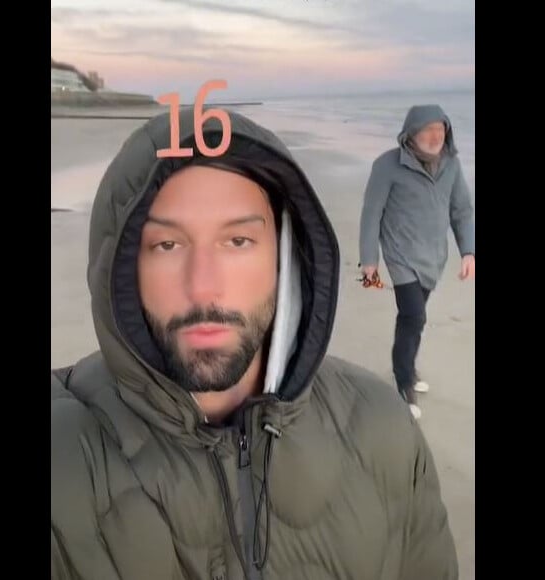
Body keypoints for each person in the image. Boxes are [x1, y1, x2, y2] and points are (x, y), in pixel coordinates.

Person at [51, 107, 458, 579]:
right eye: (168, 245)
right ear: (122, 269)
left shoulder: (385, 431)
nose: (204, 287)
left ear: (286, 257)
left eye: (238, 241)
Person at [359, 104, 475, 419]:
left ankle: (406, 364)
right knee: (413, 316)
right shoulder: (387, 165)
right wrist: (369, 262)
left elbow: (462, 209)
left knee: (415, 317)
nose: (436, 136)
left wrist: (468, 251)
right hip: (400, 256)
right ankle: (404, 380)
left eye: (441, 129)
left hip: (433, 256)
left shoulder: (451, 164)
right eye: (428, 130)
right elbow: (372, 213)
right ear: (411, 133)